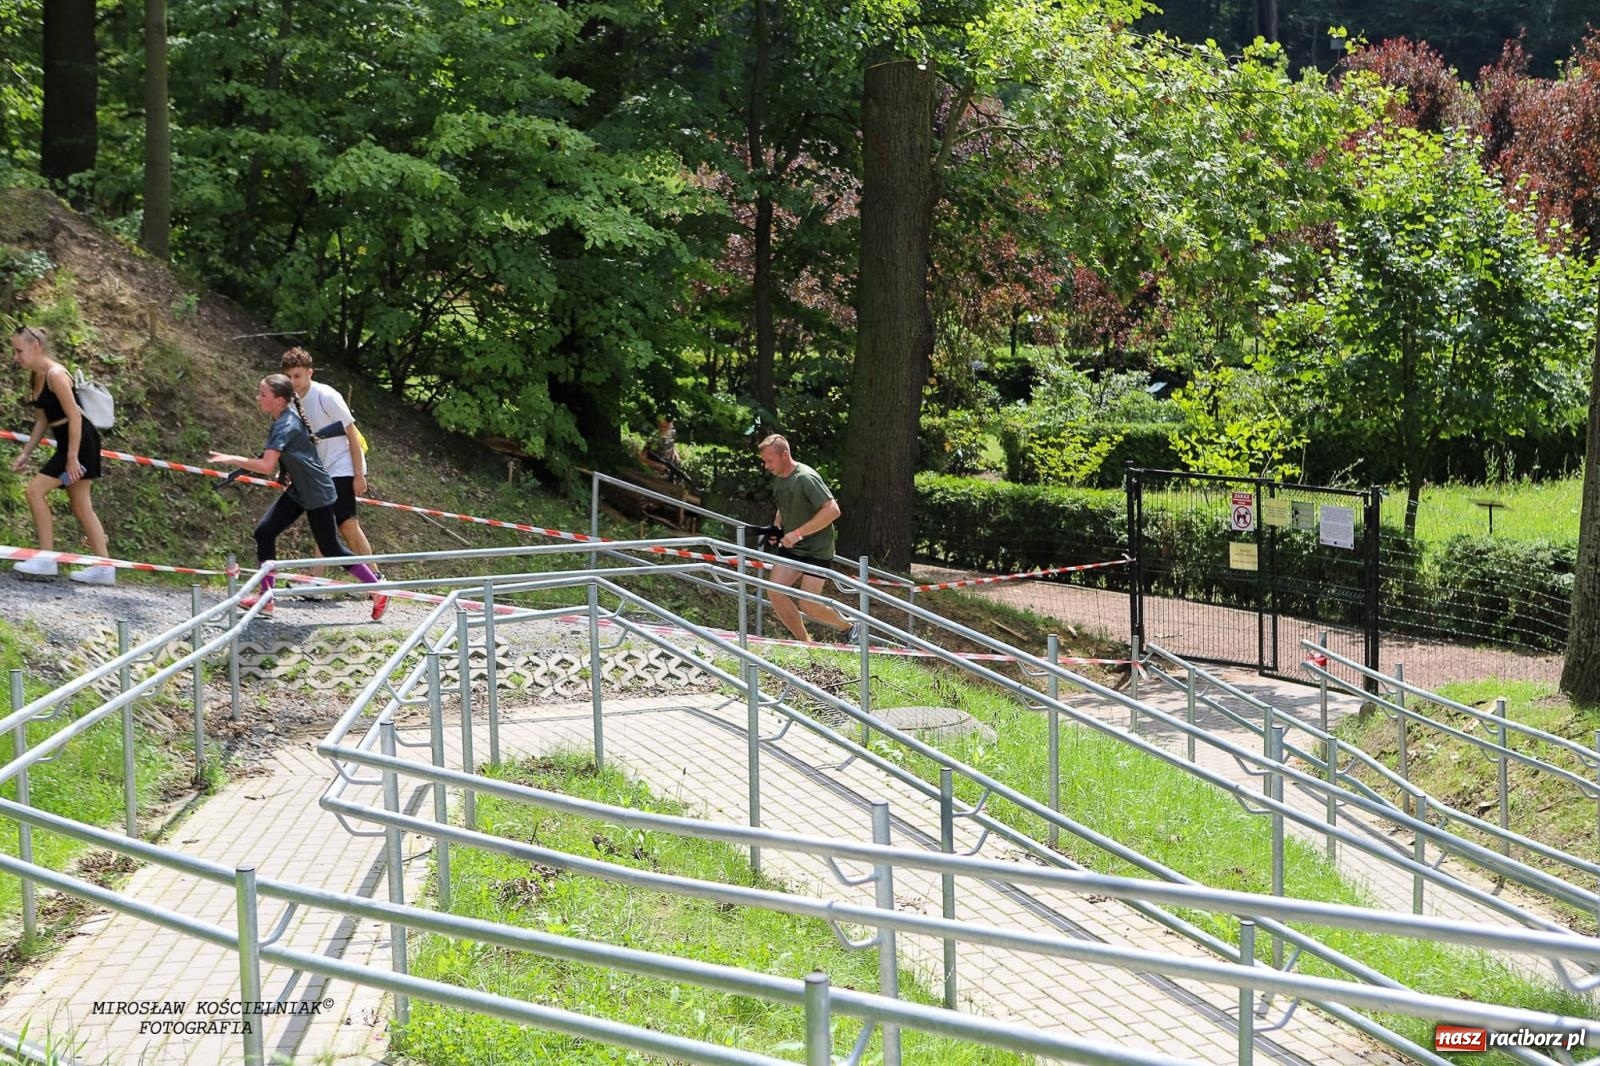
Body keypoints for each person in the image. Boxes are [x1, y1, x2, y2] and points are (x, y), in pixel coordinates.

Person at [209, 375, 388, 619]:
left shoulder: (285, 424)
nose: (258, 398)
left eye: (263, 394)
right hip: (300, 489)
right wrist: (285, 472)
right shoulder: (283, 418)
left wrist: (231, 458)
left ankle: (377, 589)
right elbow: (294, 452)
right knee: (265, 533)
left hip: (316, 491)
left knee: (331, 547)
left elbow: (266, 465)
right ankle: (266, 599)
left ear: (279, 400)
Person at [8, 325, 115, 584]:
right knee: (81, 505)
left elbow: (75, 416)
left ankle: (47, 559)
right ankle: (105, 568)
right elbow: (42, 420)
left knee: (35, 491)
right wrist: (25, 453)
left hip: (81, 445)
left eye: (19, 351)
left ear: (36, 347)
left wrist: (72, 458)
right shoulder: (36, 377)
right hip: (69, 445)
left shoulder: (56, 375)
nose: (15, 357)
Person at [279, 347, 379, 575]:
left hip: (343, 465)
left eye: (297, 375)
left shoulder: (327, 397)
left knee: (344, 525)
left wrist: (358, 474)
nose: (292, 381)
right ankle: (320, 582)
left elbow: (352, 435)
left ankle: (373, 578)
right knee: (330, 525)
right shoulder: (290, 403)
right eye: (288, 376)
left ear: (310, 373)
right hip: (321, 470)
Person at [757, 434, 857, 643]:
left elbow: (833, 510)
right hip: (793, 548)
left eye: (769, 461)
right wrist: (777, 527)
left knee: (808, 605)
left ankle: (849, 627)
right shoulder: (780, 478)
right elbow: (785, 504)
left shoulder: (805, 478)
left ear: (785, 455)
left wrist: (797, 533)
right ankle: (805, 642)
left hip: (816, 550)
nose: (766, 466)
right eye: (764, 461)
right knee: (775, 592)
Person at [640, 413, 683, 480]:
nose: (665, 428)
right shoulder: (653, 438)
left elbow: (671, 444)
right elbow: (642, 457)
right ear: (659, 425)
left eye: (668, 426)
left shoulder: (672, 433)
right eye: (662, 426)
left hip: (669, 471)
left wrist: (675, 453)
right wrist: (656, 465)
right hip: (653, 474)